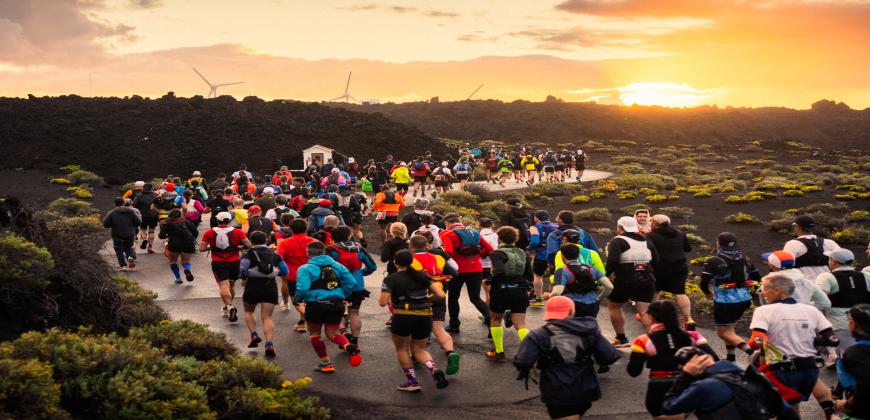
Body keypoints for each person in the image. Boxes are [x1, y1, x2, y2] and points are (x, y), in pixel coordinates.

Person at [513, 296, 621, 420]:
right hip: (586, 388)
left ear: (548, 312)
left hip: (557, 389)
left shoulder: (537, 335)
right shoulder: (589, 330)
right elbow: (610, 356)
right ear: (571, 311)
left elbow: (523, 361)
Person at [749, 274, 839, 414]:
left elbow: (756, 341)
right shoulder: (811, 310)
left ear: (777, 291)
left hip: (782, 371)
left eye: (765, 289)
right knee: (811, 399)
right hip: (810, 370)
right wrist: (810, 339)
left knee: (784, 411)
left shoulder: (764, 311)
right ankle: (832, 415)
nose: (762, 292)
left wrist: (756, 345)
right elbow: (832, 340)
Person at [627, 300, 718, 419]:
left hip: (659, 395)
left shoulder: (643, 340)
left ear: (650, 317)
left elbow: (634, 371)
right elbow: (714, 360)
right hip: (689, 391)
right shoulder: (693, 336)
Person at [661, 347, 798, 420]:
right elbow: (783, 407)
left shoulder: (702, 387)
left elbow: (669, 406)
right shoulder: (745, 374)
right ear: (708, 357)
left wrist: (685, 376)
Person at [379, 250, 449, 392]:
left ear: (395, 262)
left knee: (402, 349)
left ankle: (412, 382)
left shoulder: (391, 279)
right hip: (425, 315)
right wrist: (426, 300)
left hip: (403, 316)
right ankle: (434, 369)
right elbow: (440, 294)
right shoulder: (423, 276)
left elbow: (382, 302)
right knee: (419, 349)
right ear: (411, 262)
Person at [295, 241, 362, 373]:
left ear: (308, 253)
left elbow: (302, 288)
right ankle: (347, 345)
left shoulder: (305, 268)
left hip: (316, 305)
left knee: (314, 334)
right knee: (332, 333)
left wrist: (298, 299)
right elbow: (352, 283)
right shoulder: (339, 266)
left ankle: (326, 363)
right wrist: (342, 294)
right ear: (324, 252)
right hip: (336, 304)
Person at [700, 232, 760, 361]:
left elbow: (703, 283)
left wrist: (708, 293)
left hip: (725, 302)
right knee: (729, 329)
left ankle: (753, 353)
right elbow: (757, 278)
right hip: (745, 300)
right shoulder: (745, 258)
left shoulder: (714, 260)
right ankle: (731, 358)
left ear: (719, 243)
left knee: (723, 333)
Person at [409, 234, 461, 375]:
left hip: (420, 298)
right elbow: (454, 273)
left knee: (418, 328)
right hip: (439, 295)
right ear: (427, 245)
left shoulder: (410, 260)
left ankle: (416, 353)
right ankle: (450, 352)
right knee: (438, 328)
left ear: (410, 246)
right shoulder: (438, 258)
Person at [606, 216, 659, 347]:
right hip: (647, 279)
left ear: (620, 227)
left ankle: (621, 339)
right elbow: (656, 260)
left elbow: (613, 261)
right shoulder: (646, 240)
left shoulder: (617, 241)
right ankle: (655, 344)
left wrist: (604, 276)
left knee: (614, 306)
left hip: (625, 279)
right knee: (645, 312)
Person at [440, 213, 494, 334]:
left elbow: (448, 251)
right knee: (475, 298)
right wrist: (476, 256)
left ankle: (454, 325)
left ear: (447, 223)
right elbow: (490, 249)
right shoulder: (474, 232)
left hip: (457, 270)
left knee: (453, 297)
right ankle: (492, 322)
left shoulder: (446, 233)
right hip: (476, 268)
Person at [240, 231, 289, 358]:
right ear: (267, 240)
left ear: (251, 241)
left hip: (253, 286)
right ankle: (269, 343)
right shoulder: (275, 255)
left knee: (248, 312)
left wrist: (249, 275)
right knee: (267, 317)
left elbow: (243, 270)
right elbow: (285, 271)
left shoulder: (248, 254)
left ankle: (254, 335)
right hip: (270, 286)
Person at [486, 226, 531, 361]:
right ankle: (532, 351)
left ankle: (499, 352)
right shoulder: (522, 253)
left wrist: (489, 280)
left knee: (495, 320)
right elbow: (529, 274)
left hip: (501, 290)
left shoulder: (496, 253)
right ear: (515, 239)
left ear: (499, 238)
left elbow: (499, 272)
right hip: (520, 289)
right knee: (520, 324)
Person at [327, 226, 377, 346]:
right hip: (357, 286)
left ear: (332, 237)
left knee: (338, 313)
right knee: (354, 313)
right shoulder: (359, 248)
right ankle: (354, 339)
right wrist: (361, 273)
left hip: (337, 286)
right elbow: (373, 266)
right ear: (349, 235)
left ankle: (344, 334)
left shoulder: (330, 250)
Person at [199, 212, 252, 323]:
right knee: (231, 285)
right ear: (229, 220)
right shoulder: (237, 232)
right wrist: (238, 247)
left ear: (217, 221)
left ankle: (229, 306)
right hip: (234, 262)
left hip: (218, 263)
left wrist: (212, 247)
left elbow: (201, 248)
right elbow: (248, 245)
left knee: (223, 285)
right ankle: (227, 306)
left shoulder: (210, 232)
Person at [815, 248, 870, 351]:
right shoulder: (866, 276)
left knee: (847, 358)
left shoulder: (826, 277)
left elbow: (820, 302)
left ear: (833, 261)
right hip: (865, 324)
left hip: (839, 325)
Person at [646, 214, 694, 329]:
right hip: (680, 267)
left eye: (651, 221)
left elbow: (649, 251)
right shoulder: (680, 234)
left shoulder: (651, 236)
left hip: (660, 268)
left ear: (656, 224)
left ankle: (653, 317)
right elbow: (688, 249)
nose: (650, 223)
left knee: (655, 291)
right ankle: (688, 318)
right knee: (679, 292)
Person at [550, 244, 612, 318]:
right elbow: (609, 286)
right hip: (592, 305)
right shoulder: (590, 268)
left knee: (571, 327)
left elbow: (557, 292)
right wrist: (599, 299)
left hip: (573, 305)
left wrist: (549, 296)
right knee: (589, 327)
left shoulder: (562, 271)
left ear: (562, 256)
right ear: (578, 255)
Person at [275, 218, 315, 331]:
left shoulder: (285, 243)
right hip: (312, 274)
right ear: (306, 228)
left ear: (291, 229)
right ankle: (302, 322)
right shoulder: (314, 241)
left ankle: (308, 318)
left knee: (296, 300)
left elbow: (279, 258)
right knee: (308, 299)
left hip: (293, 275)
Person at [835, 304, 870, 418]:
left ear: (852, 323)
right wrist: (836, 392)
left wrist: (847, 404)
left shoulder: (855, 353)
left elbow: (867, 385)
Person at [764, 250, 830, 309]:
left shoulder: (768, 282)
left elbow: (767, 303)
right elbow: (825, 304)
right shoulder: (806, 281)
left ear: (771, 265)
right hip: (805, 319)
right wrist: (805, 306)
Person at [783, 215, 840, 283]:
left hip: (805, 285)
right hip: (827, 283)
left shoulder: (792, 244)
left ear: (798, 227)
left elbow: (786, 266)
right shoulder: (829, 242)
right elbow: (843, 260)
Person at [158, 208, 197, 284]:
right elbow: (195, 231)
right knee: (186, 262)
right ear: (180, 215)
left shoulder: (167, 223)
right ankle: (187, 269)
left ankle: (178, 278)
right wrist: (193, 238)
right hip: (188, 243)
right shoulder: (186, 221)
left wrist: (166, 232)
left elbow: (161, 236)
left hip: (174, 244)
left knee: (173, 262)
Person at [528, 210, 559, 306]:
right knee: (556, 276)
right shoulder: (556, 225)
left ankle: (538, 299)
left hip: (542, 255)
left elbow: (535, 241)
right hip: (556, 255)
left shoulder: (534, 227)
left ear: (536, 219)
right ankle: (556, 299)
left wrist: (529, 249)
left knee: (537, 276)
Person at [102, 197, 141, 271]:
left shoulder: (112, 213)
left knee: (119, 249)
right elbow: (138, 222)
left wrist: (112, 224)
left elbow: (105, 224)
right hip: (129, 234)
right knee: (128, 247)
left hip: (117, 234)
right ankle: (130, 257)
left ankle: (123, 266)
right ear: (123, 203)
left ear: (114, 203)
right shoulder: (131, 211)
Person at [132, 183, 159, 253]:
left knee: (143, 229)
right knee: (151, 230)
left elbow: (134, 204)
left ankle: (144, 239)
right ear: (152, 188)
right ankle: (150, 247)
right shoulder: (155, 195)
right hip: (153, 215)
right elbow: (159, 204)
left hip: (142, 215)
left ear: (143, 188)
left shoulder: (139, 195)